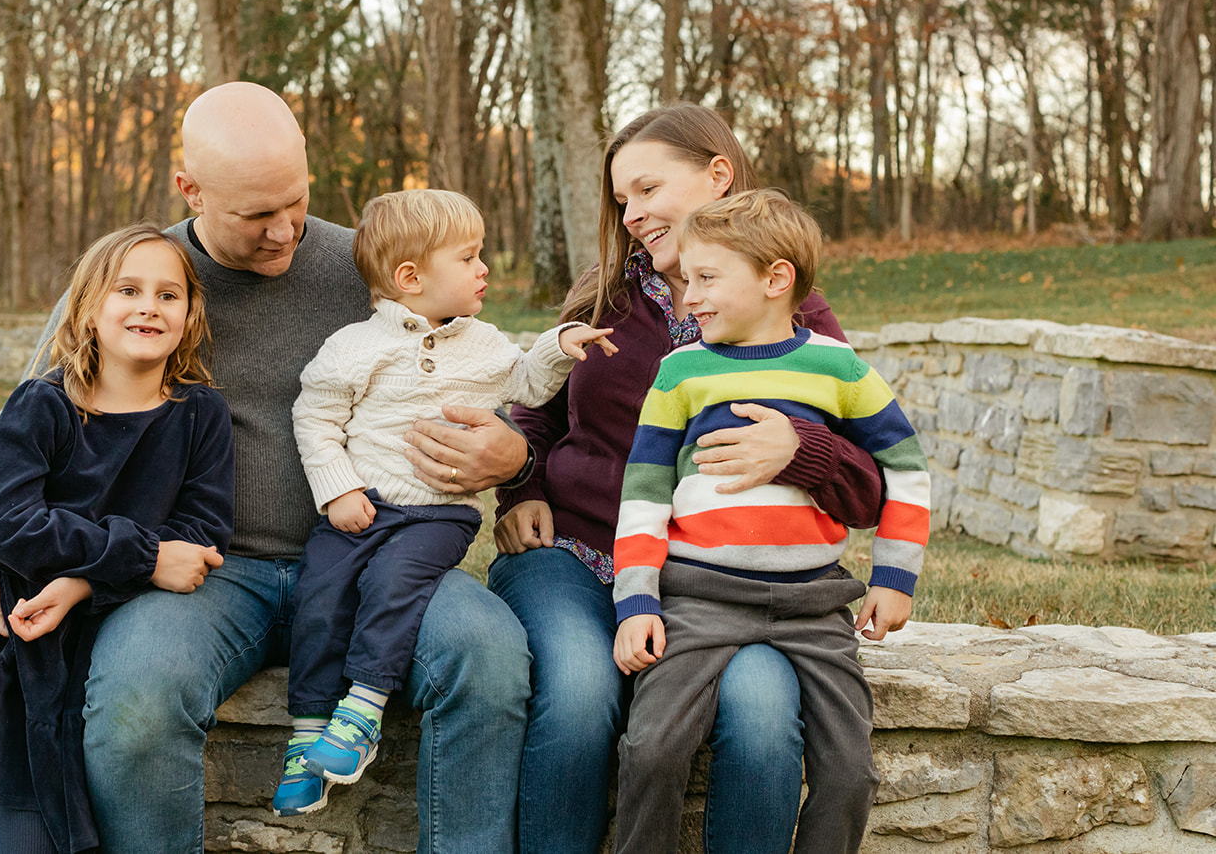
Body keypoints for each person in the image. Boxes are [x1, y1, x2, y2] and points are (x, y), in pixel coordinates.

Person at [0, 82, 534, 854]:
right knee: (138, 697)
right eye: (255, 216)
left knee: (491, 657)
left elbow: (494, 372)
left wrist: (517, 455)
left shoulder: (372, 267)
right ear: (190, 189)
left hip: (377, 549)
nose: (284, 232)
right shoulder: (145, 278)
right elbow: (27, 415)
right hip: (206, 569)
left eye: (295, 202)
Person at [490, 103, 890, 854]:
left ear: (718, 174)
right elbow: (534, 407)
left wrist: (796, 448)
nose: (633, 214)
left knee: (767, 716)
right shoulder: (605, 290)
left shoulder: (794, 316)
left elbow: (870, 484)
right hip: (578, 554)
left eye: (647, 190)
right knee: (579, 696)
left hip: (717, 585)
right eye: (622, 201)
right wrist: (523, 486)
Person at [0, 223, 234, 854]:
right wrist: (142, 556)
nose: (148, 306)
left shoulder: (200, 414)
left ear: (190, 314)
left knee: (36, 836)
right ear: (88, 307)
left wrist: (80, 581)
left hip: (69, 648)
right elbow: (13, 527)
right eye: (128, 289)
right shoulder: (41, 405)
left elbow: (201, 530)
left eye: (169, 294)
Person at [276, 189, 616, 815]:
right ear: (410, 278)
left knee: (393, 582)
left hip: (436, 514)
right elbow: (316, 417)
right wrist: (339, 489)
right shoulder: (352, 346)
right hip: (359, 508)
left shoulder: (482, 343)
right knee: (319, 595)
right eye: (468, 257)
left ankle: (364, 710)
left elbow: (526, 383)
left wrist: (558, 345)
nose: (484, 268)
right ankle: (307, 735)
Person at [611, 189, 930, 854]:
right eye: (686, 279)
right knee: (650, 751)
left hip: (814, 606)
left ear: (775, 278)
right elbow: (644, 492)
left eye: (706, 278)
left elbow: (905, 464)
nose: (687, 295)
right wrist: (637, 597)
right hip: (698, 601)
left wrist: (895, 574)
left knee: (849, 773)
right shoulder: (680, 373)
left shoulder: (838, 368)